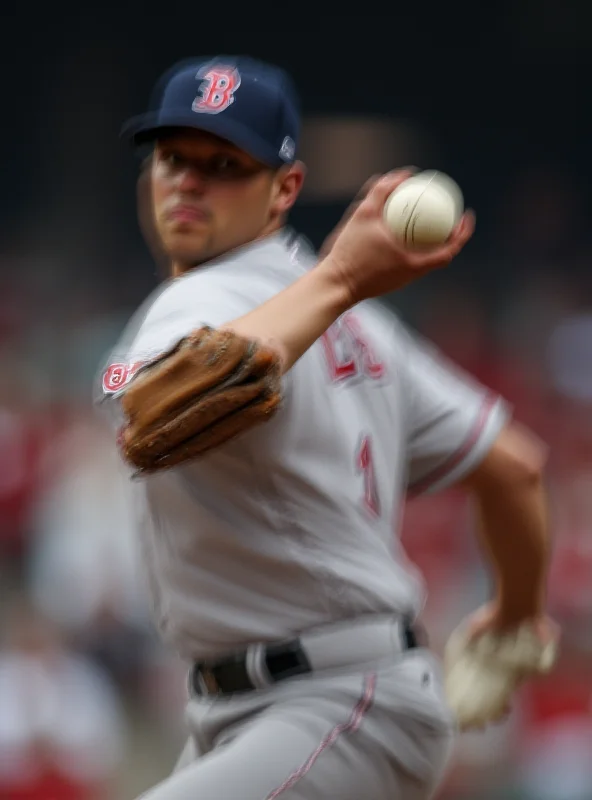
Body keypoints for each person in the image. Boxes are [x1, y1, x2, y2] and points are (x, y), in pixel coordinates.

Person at [97, 55, 556, 799]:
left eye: (225, 163)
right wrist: (516, 615)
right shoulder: (365, 325)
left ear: (286, 188)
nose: (188, 179)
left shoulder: (217, 297)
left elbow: (146, 406)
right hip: (287, 708)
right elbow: (514, 466)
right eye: (173, 157)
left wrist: (342, 279)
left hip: (330, 702)